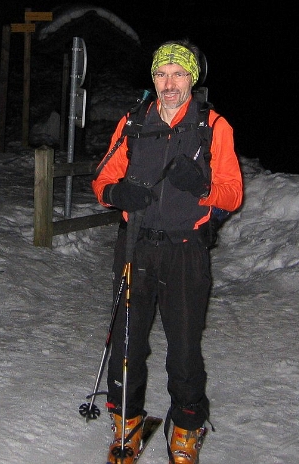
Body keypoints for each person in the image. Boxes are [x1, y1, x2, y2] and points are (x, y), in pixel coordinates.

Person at [91, 40, 243, 464]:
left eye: (178, 74)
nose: (169, 83)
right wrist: (116, 193)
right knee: (127, 343)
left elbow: (233, 194)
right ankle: (126, 422)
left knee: (185, 347)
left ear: (192, 79)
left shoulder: (213, 126)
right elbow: (101, 179)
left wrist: (202, 187)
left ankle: (187, 428)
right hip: (135, 246)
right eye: (161, 74)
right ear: (153, 79)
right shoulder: (133, 122)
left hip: (185, 250)